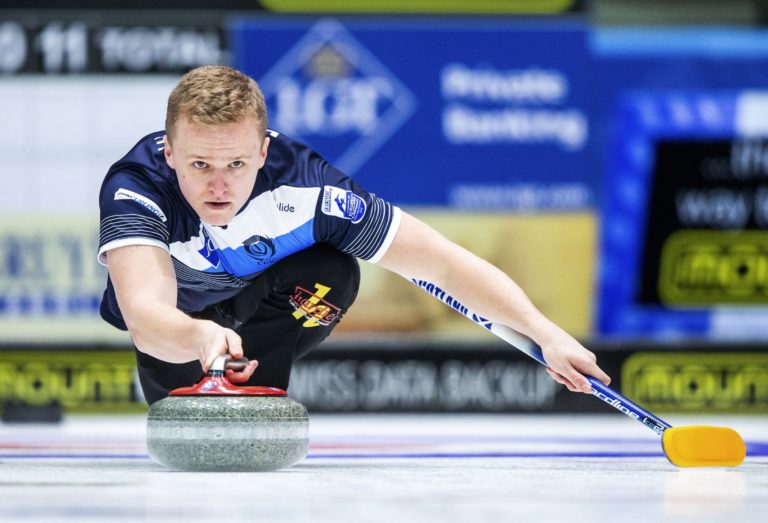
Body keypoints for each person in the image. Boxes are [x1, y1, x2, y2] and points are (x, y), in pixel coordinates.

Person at [98, 65, 610, 405]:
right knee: (178, 409)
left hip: (267, 308)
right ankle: (222, 372)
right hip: (182, 332)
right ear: (169, 153)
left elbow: (445, 265)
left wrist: (547, 335)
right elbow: (147, 318)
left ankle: (258, 393)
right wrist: (201, 335)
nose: (218, 184)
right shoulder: (137, 187)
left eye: (235, 163)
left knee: (331, 270)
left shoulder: (311, 187)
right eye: (199, 163)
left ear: (262, 152)